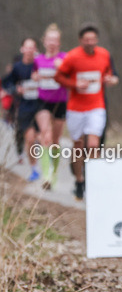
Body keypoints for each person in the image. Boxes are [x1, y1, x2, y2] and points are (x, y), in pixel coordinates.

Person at [55, 24, 119, 200]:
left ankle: (93, 181)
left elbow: (112, 75)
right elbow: (58, 77)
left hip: (96, 106)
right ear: (80, 40)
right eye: (87, 39)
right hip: (76, 108)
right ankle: (79, 180)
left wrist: (111, 80)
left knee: (93, 144)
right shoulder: (72, 57)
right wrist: (75, 84)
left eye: (93, 39)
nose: (90, 42)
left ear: (97, 40)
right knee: (78, 146)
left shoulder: (104, 54)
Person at [33, 24, 68, 190]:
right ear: (44, 41)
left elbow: (71, 75)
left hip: (60, 102)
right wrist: (34, 76)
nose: (52, 43)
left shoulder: (64, 58)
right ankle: (45, 175)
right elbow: (32, 74)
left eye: (55, 40)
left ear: (59, 42)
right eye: (49, 40)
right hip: (43, 102)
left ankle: (53, 174)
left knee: (55, 140)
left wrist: (63, 69)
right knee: (45, 136)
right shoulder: (38, 60)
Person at [2, 38, 41, 179]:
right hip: (25, 107)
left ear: (36, 50)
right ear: (22, 49)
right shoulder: (17, 67)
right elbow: (6, 83)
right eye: (27, 47)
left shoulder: (40, 65)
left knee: (44, 138)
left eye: (32, 48)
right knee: (30, 139)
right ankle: (34, 169)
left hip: (42, 105)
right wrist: (15, 89)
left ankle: (49, 170)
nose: (30, 50)